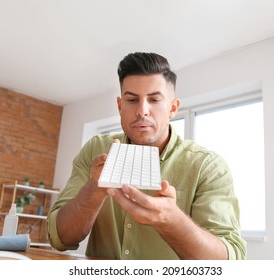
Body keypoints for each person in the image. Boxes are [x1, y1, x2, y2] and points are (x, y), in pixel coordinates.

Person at [47, 52, 247, 260]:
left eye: (154, 99)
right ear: (119, 106)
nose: (142, 111)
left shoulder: (208, 166)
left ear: (172, 108)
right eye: (132, 99)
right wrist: (94, 188)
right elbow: (60, 239)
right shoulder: (95, 149)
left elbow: (230, 261)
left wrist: (171, 221)